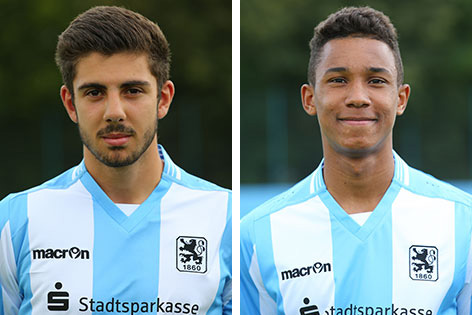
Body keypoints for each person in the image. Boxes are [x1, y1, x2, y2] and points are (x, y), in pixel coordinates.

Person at [240, 6, 472, 315]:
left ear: (400, 98)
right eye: (338, 80)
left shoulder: (462, 224)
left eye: (376, 80)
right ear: (310, 99)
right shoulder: (258, 235)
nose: (358, 97)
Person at [0, 6, 231, 315]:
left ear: (163, 98)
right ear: (71, 103)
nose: (114, 112)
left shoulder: (225, 218)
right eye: (94, 92)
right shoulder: (15, 220)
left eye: (132, 90)